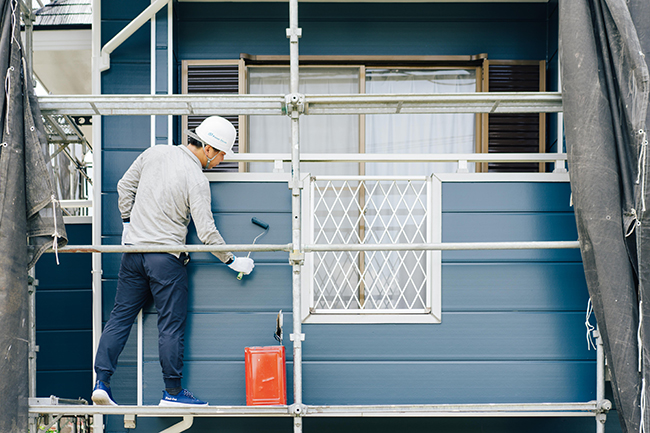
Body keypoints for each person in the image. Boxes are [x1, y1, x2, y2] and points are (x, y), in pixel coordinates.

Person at [91, 116, 254, 407]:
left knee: (119, 317)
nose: (221, 161)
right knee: (170, 326)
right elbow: (206, 231)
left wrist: (128, 222)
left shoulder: (154, 152)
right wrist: (233, 261)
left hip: (133, 254)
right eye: (222, 155)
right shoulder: (196, 178)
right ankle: (173, 393)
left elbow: (123, 186)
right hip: (166, 259)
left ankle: (101, 382)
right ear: (208, 148)